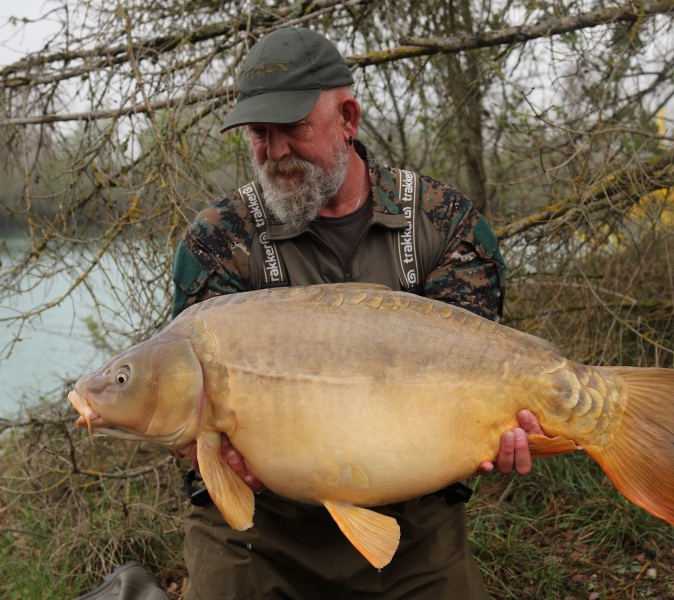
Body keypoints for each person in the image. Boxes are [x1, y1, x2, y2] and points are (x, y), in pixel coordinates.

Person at [169, 26, 543, 600]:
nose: (274, 153)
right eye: (259, 135)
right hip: (259, 531)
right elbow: (186, 411)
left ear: (348, 118)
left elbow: (478, 388)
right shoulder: (218, 239)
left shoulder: (446, 223)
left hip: (414, 522)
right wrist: (210, 455)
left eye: (292, 129)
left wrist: (510, 430)